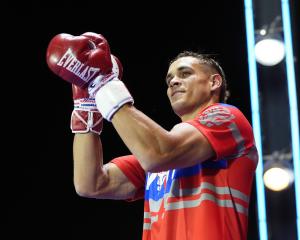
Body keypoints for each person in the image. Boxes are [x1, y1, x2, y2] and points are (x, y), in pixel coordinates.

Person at [46, 32, 258, 240]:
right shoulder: (161, 156)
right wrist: (87, 108)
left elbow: (158, 153)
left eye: (185, 74)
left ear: (214, 82)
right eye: (169, 79)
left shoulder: (228, 118)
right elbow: (90, 184)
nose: (174, 81)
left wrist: (101, 84)